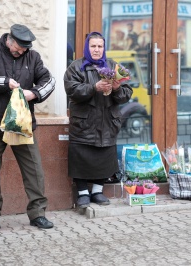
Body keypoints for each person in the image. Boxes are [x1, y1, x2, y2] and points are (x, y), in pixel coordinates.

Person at [0, 24, 56, 234]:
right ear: (9, 40)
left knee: (34, 170)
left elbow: (50, 81)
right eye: (19, 47)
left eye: (25, 48)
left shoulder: (33, 57)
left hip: (21, 124)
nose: (22, 51)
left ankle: (37, 214)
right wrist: (5, 82)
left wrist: (34, 93)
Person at [63, 32, 133, 208]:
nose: (96, 50)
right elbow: (72, 90)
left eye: (100, 46)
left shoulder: (114, 67)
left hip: (107, 121)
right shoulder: (76, 67)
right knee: (81, 156)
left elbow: (126, 95)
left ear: (104, 48)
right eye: (93, 46)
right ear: (87, 47)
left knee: (104, 156)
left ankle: (97, 191)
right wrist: (94, 87)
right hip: (84, 122)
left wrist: (117, 89)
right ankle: (82, 192)